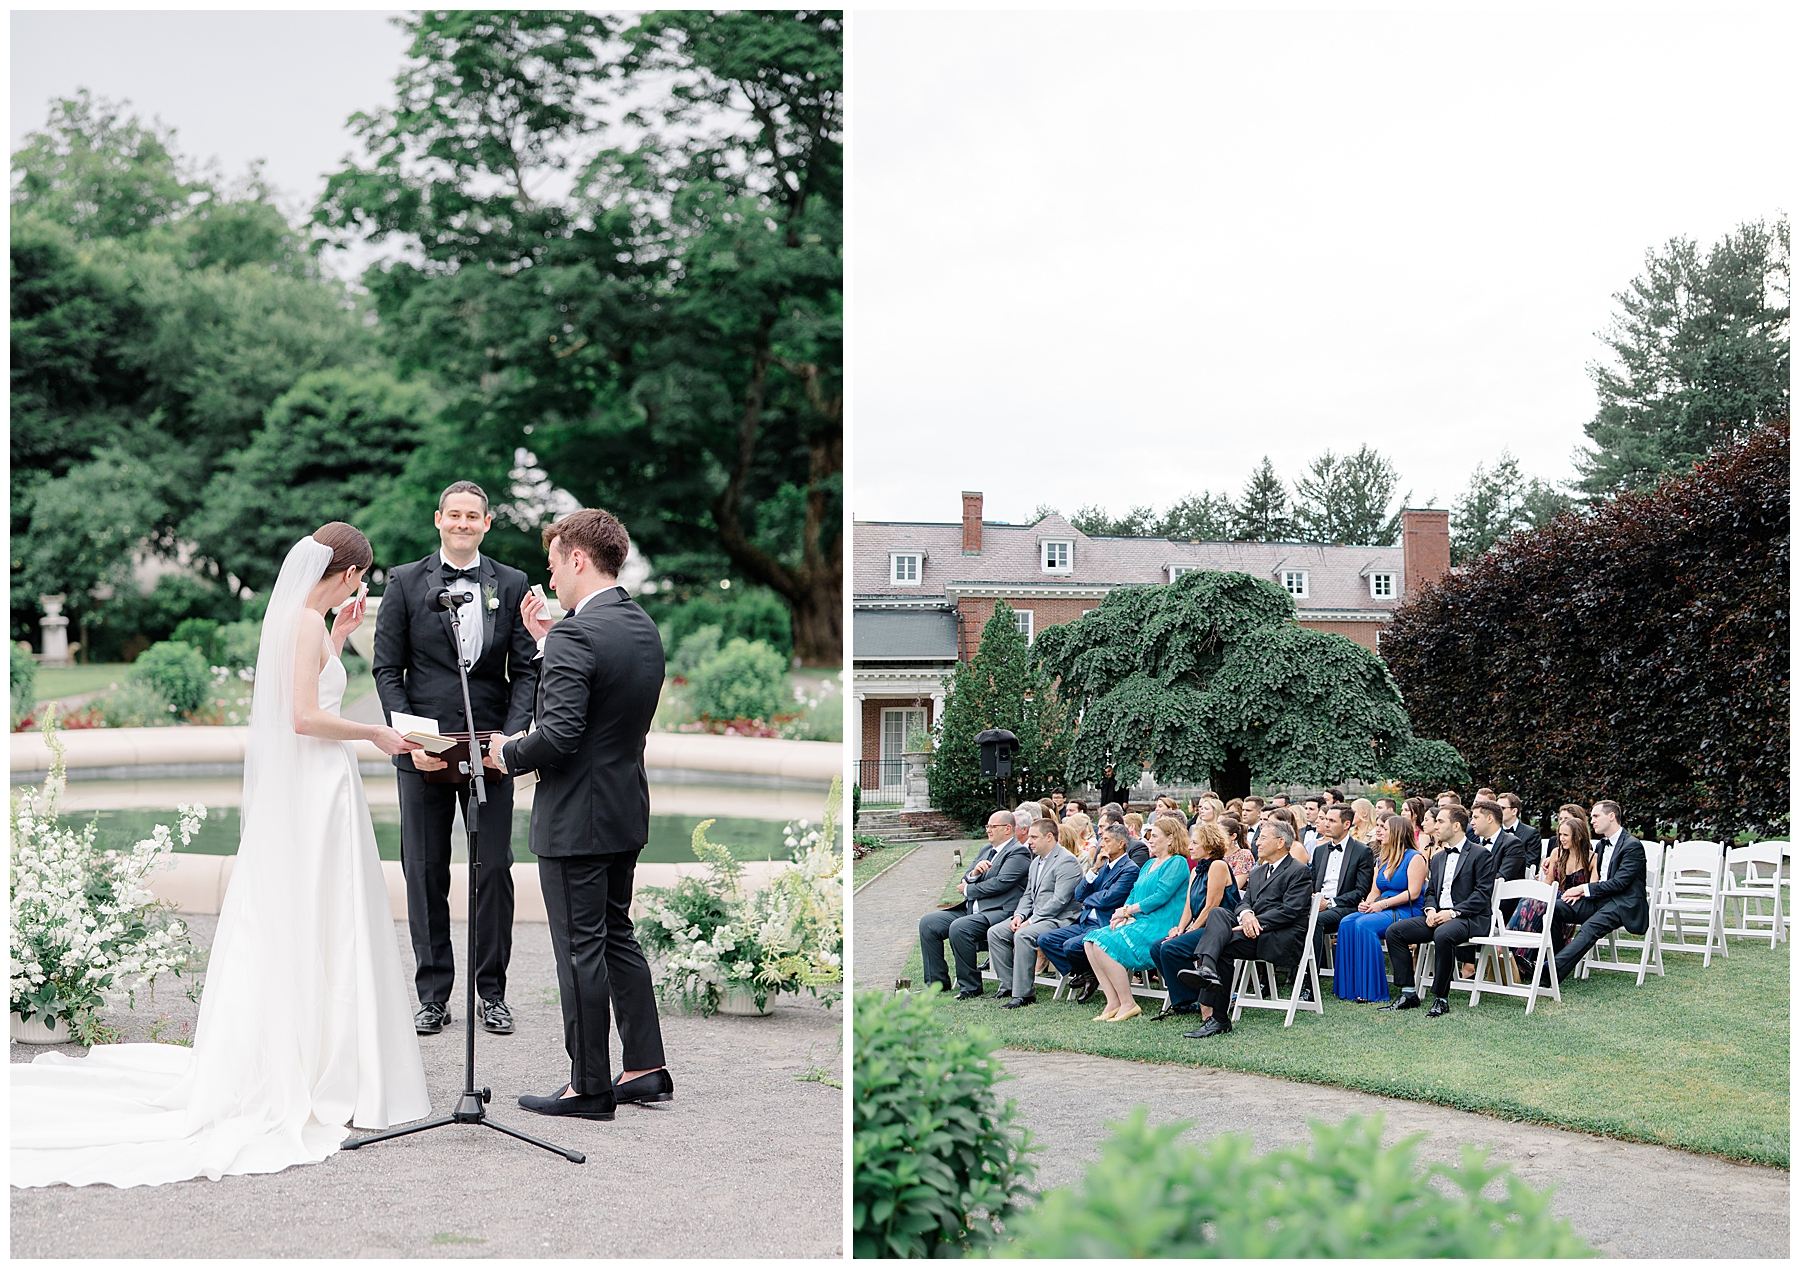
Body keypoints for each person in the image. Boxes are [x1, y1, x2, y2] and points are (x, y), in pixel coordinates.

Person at [14, 527, 432, 1187]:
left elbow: (307, 687)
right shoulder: (298, 622)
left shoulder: (306, 622)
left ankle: (324, 1052)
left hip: (319, 787)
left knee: (318, 916)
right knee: (321, 915)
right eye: (361, 579)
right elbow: (301, 717)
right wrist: (375, 731)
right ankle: (317, 1060)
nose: (361, 588)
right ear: (349, 572)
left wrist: (337, 639)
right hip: (315, 783)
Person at [490, 508, 670, 1117]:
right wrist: (547, 638)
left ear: (577, 558)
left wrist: (507, 752)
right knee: (617, 935)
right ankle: (646, 1067)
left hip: (576, 821)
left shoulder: (577, 634)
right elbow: (601, 701)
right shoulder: (640, 626)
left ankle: (589, 1086)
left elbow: (561, 734)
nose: (552, 579)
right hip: (623, 810)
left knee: (580, 949)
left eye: (553, 563)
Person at [373, 481, 541, 1037]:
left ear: (487, 524)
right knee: (424, 871)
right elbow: (386, 671)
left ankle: (492, 993)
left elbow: (527, 671)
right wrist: (411, 739)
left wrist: (510, 741)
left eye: (474, 516)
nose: (464, 524)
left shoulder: (512, 583)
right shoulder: (402, 582)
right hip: (423, 754)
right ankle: (432, 995)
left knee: (493, 868)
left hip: (489, 751)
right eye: (455, 515)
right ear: (438, 519)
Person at [1175, 820, 1314, 1038]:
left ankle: (1217, 1014)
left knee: (1221, 943)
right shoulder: (1258, 871)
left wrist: (1255, 921)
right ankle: (1209, 972)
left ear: (1280, 842)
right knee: (1218, 913)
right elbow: (1243, 902)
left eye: (1262, 838)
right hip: (1251, 931)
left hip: (1279, 936)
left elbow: (1290, 911)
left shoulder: (1298, 870)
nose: (1257, 842)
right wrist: (1247, 914)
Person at [1379, 805, 1496, 1016]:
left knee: (1443, 934)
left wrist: (1452, 913)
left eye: (1441, 821)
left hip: (1469, 918)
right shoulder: (1439, 857)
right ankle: (1408, 992)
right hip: (1437, 916)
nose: (1435, 826)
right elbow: (1431, 891)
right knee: (1394, 931)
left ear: (1457, 825)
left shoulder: (1481, 855)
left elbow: (1482, 895)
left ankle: (1441, 998)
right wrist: (1431, 910)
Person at [1082, 816, 1193, 1022]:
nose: (1149, 839)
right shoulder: (1148, 863)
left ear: (1170, 839)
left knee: (1102, 943)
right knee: (1090, 940)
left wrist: (1128, 912)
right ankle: (1112, 1001)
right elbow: (1134, 891)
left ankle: (1128, 1002)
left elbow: (1161, 895)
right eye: (1149, 835)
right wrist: (1123, 912)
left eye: (1154, 836)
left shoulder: (1177, 862)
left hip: (1161, 924)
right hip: (1140, 920)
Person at [918, 809, 1032, 999]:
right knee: (928, 923)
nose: (988, 830)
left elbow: (1001, 883)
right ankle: (936, 983)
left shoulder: (1018, 852)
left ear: (1007, 829)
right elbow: (966, 877)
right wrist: (974, 875)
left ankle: (970, 986)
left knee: (960, 927)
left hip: (998, 911)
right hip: (972, 909)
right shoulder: (985, 850)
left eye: (992, 826)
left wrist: (969, 889)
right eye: (987, 826)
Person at [1550, 800, 1650, 985]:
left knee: (1589, 927)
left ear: (1611, 816)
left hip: (1622, 903)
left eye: (1596, 816)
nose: (1592, 821)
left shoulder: (1632, 846)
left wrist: (1582, 888)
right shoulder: (1602, 846)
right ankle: (1553, 959)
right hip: (1599, 900)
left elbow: (1620, 883)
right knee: (1553, 909)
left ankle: (1549, 972)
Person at [1149, 823, 1239, 1020]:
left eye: (1195, 843)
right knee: (1158, 946)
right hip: (1200, 926)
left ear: (1209, 846)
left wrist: (1191, 931)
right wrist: (1180, 929)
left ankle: (1196, 999)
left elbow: (1212, 906)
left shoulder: (1218, 865)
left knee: (1171, 948)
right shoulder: (1195, 871)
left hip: (1219, 928)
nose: (1189, 846)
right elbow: (1189, 906)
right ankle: (1188, 999)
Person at [1040, 823, 1140, 1001]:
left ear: (1121, 843)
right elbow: (1078, 893)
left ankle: (1088, 974)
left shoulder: (1130, 869)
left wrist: (1088, 899)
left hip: (1104, 923)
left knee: (1071, 945)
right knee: (1046, 940)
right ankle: (1087, 973)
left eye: (1107, 840)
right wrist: (1094, 870)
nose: (1102, 844)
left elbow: (1108, 899)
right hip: (1085, 920)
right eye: (1102, 839)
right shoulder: (1101, 864)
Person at [989, 819, 1083, 1007]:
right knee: (996, 932)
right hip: (1036, 917)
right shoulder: (1036, 862)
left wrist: (1031, 921)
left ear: (1049, 837)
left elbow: (1060, 901)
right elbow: (1028, 895)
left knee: (1024, 934)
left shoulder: (1067, 861)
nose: (1029, 841)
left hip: (1061, 919)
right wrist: (1019, 916)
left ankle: (1024, 995)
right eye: (1029, 837)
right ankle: (1009, 985)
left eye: (1034, 837)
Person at [1334, 814, 1426, 1002]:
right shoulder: (1382, 859)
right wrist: (1368, 904)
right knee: (1347, 922)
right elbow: (1375, 890)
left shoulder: (1415, 857)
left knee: (1364, 925)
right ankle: (1350, 987)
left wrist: (1381, 904)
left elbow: (1413, 893)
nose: (1379, 831)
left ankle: (1371, 990)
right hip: (1382, 907)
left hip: (1408, 910)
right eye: (1379, 827)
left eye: (1384, 828)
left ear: (1398, 833)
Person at [1508, 816, 1593, 977]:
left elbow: (1592, 888)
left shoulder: (1591, 858)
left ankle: (1517, 958)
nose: (1561, 839)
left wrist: (1578, 892)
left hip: (1574, 904)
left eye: (1565, 835)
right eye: (1560, 834)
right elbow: (1548, 881)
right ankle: (1515, 956)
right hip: (1552, 896)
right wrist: (1536, 893)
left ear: (1579, 836)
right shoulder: (1557, 853)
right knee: (1529, 901)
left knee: (1536, 905)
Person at [1307, 804, 1375, 996]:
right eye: (1325, 819)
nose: (1325, 824)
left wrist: (1329, 903)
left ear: (1346, 824)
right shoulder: (1320, 851)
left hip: (1345, 906)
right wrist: (1312, 897)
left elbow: (1361, 890)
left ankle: (1310, 982)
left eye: (1331, 821)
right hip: (1316, 903)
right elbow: (1311, 882)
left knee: (1315, 921)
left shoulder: (1362, 851)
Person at [1498, 793, 1543, 865]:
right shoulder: (1495, 832)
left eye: (1502, 808)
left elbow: (1531, 862)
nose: (1498, 812)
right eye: (1497, 808)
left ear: (1514, 811)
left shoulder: (1531, 834)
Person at [1219, 815, 1255, 886]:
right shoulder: (1214, 854)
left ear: (1233, 836)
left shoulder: (1243, 855)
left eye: (1221, 835)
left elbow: (1237, 885)